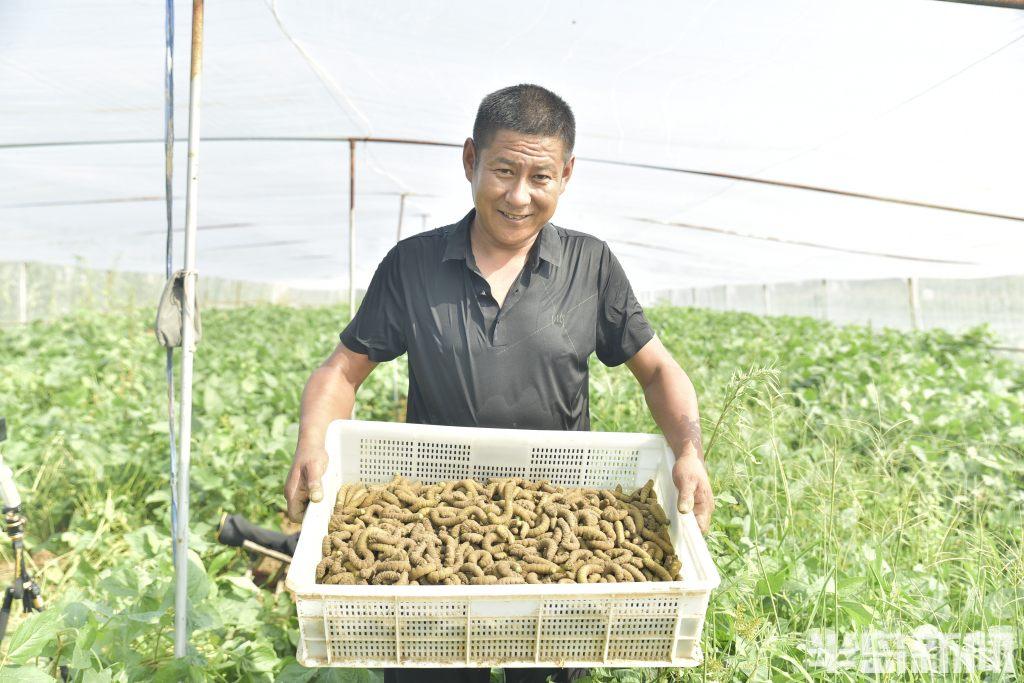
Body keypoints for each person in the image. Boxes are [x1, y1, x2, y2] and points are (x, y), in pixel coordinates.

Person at [284, 84, 714, 683]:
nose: (519, 195)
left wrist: (689, 452)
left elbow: (660, 369)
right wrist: (312, 442)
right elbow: (341, 369)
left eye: (540, 177)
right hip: (429, 515)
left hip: (562, 520)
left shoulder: (592, 266)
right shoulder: (412, 265)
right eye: (503, 171)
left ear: (565, 175)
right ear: (470, 161)